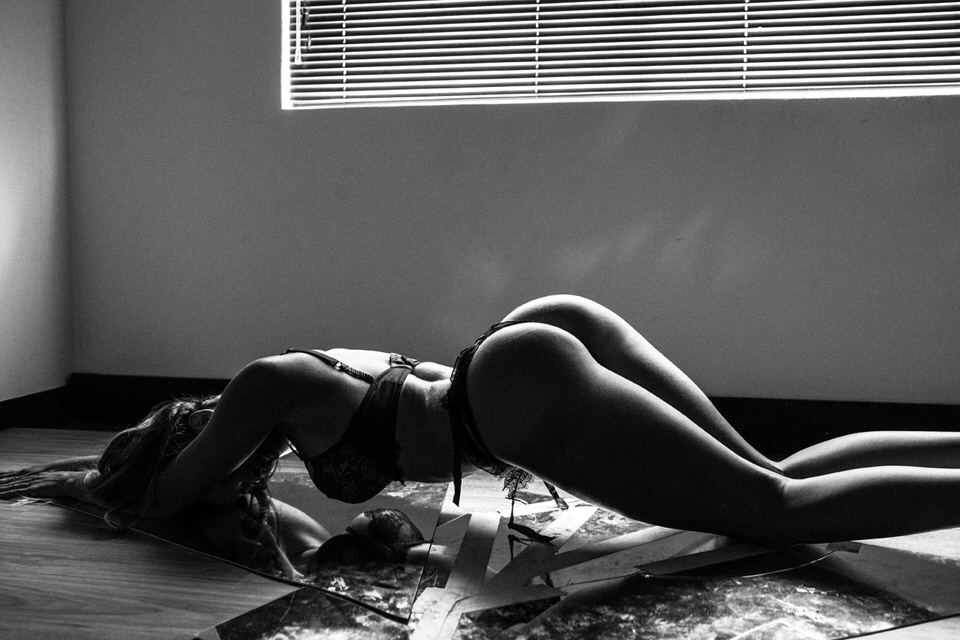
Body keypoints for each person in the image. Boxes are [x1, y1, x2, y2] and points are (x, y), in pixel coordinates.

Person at [2, 294, 960, 545]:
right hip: (529, 342)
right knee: (774, 475)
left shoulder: (263, 387)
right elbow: (278, 517)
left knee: (776, 508)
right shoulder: (305, 390)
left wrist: (101, 487)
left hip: (509, 390)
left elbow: (168, 496)